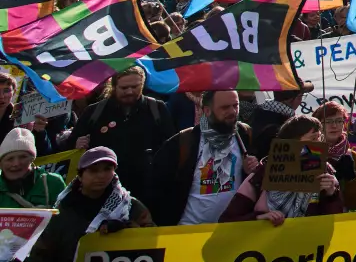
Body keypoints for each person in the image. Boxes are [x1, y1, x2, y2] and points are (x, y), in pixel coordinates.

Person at [14, 148, 154, 262]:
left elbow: (153, 246)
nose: (101, 175)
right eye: (94, 170)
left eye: (107, 169)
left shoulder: (130, 208)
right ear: (80, 175)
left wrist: (126, 231)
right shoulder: (63, 213)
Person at [68, 66, 171, 206]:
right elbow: (69, 147)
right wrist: (77, 144)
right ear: (114, 86)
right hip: (103, 189)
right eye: (124, 88)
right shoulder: (95, 112)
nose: (129, 92)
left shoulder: (157, 108)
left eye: (135, 87)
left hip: (146, 188)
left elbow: (171, 146)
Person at [152, 88, 256, 225]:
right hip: (187, 233)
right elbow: (156, 189)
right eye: (225, 107)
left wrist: (252, 170)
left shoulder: (245, 135)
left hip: (231, 231)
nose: (232, 112)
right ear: (207, 111)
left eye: (235, 105)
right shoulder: (184, 142)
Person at [220, 115, 347, 222]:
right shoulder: (263, 172)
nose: (319, 144)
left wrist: (331, 194)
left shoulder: (325, 171)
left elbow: (334, 221)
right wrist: (259, 218)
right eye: (313, 138)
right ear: (292, 143)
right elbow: (229, 219)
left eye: (320, 138)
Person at [0, 128, 63, 208]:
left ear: (32, 159)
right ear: (1, 164)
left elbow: (66, 217)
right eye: (10, 159)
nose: (16, 164)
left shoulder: (53, 183)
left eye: (23, 157)